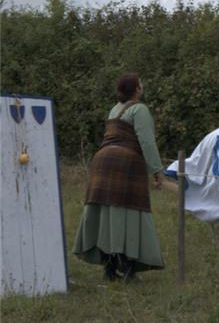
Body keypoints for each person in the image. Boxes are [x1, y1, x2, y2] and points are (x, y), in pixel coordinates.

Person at [73, 72, 165, 283]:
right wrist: (157, 171)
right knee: (131, 215)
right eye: (140, 84)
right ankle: (130, 271)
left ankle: (110, 269)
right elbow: (147, 142)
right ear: (137, 89)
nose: (142, 86)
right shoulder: (139, 109)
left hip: (101, 162)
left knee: (107, 216)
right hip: (125, 164)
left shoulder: (115, 109)